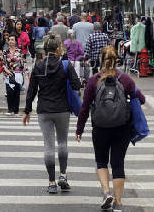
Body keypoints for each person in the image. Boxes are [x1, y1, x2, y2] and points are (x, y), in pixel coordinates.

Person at [76, 46, 145, 212]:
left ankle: (107, 193)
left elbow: (84, 108)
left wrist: (79, 129)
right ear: (117, 61)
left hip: (100, 128)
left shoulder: (94, 81)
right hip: (122, 128)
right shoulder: (126, 79)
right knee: (118, 164)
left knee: (101, 161)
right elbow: (141, 99)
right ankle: (119, 203)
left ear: (101, 60)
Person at [23, 33, 80, 194]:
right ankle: (63, 175)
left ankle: (51, 182)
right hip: (62, 109)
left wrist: (27, 111)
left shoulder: (39, 66)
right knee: (62, 142)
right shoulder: (65, 65)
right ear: (57, 50)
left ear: (45, 49)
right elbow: (76, 86)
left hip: (44, 110)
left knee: (48, 145)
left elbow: (32, 91)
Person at [3, 34, 25, 115]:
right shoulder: (5, 52)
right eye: (9, 40)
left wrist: (26, 72)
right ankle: (10, 110)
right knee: (9, 92)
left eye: (12, 40)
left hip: (18, 74)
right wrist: (7, 71)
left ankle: (16, 111)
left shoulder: (19, 51)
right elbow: (3, 63)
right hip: (8, 74)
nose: (10, 41)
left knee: (16, 93)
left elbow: (23, 62)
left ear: (15, 41)